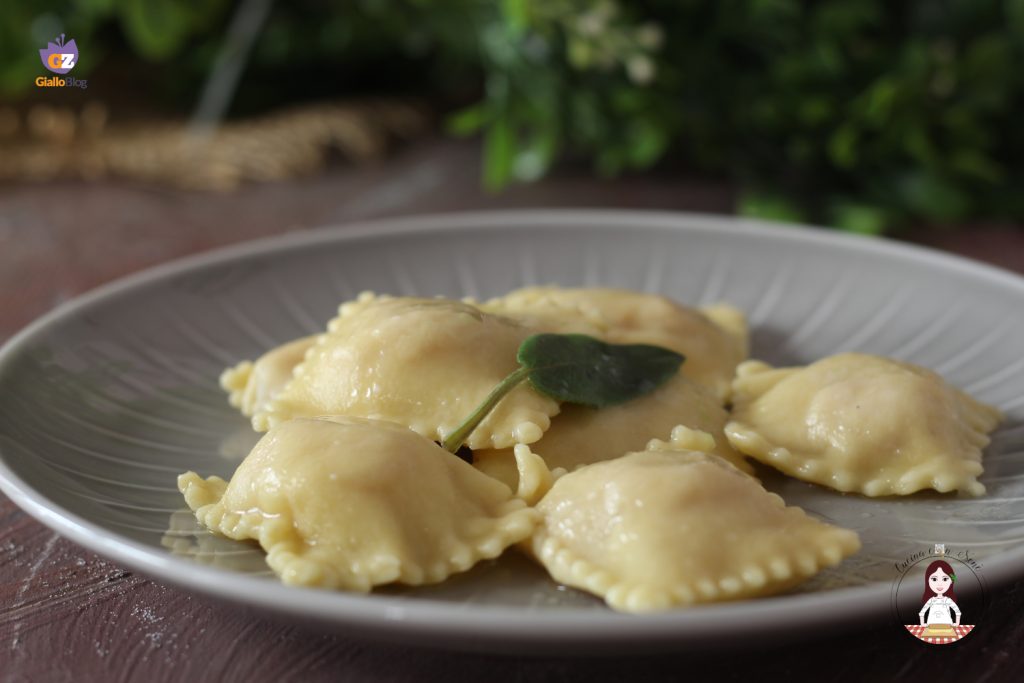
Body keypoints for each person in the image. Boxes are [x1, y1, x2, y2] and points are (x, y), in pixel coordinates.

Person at [918, 560, 961, 629]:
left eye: (945, 579)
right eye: (934, 579)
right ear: (928, 581)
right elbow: (922, 612)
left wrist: (957, 623)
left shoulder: (948, 600)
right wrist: (922, 623)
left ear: (951, 581)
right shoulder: (931, 600)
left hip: (947, 626)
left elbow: (957, 611)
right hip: (932, 626)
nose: (939, 584)